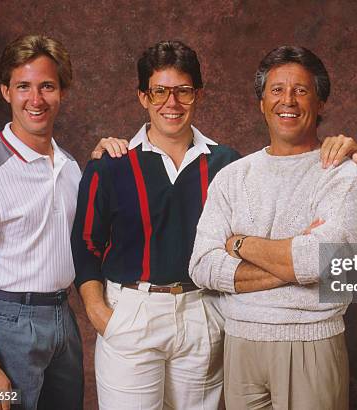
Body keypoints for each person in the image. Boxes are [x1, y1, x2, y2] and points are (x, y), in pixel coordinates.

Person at [189, 45, 357, 410]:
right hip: (239, 343)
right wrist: (295, 263)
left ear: (320, 103)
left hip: (310, 344)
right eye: (276, 90)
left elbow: (320, 261)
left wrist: (239, 243)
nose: (287, 100)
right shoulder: (232, 177)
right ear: (261, 102)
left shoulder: (342, 174)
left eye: (301, 90)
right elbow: (202, 266)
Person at [71, 40, 241, 409]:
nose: (171, 103)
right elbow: (86, 244)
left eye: (183, 91)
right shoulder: (110, 164)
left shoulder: (227, 164)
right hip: (132, 311)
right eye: (159, 91)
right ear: (142, 97)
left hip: (202, 311)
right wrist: (99, 313)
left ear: (198, 95)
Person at [0, 35, 84, 410]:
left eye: (47, 86)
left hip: (64, 318)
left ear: (62, 91)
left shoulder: (71, 168)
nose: (36, 99)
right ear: (5, 92)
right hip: (5, 324)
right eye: (23, 87)